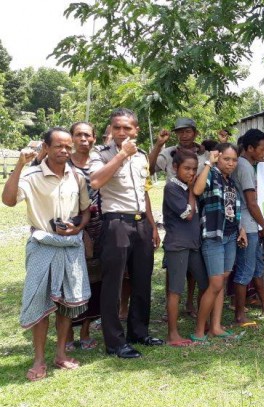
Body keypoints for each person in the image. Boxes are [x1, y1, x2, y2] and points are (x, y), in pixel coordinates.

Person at [2, 127, 92, 381]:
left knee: (65, 302)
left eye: (68, 147)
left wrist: (79, 226)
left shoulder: (77, 177)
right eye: (58, 146)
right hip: (42, 245)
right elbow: (8, 200)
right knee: (39, 303)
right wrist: (19, 165)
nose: (64, 151)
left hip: (70, 246)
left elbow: (86, 210)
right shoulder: (31, 175)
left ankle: (60, 354)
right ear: (46, 147)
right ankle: (39, 359)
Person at [90, 108, 164, 358]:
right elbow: (96, 181)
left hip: (141, 222)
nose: (121, 132)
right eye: (116, 127)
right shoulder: (100, 154)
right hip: (116, 223)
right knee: (113, 283)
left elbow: (143, 192)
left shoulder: (142, 156)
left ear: (136, 130)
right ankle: (115, 342)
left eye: (127, 128)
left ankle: (139, 333)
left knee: (142, 280)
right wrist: (121, 154)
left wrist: (152, 225)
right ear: (110, 129)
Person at [150, 117, 210, 318]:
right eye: (180, 132)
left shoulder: (204, 155)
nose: (184, 135)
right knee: (175, 267)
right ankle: (171, 308)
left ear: (195, 132)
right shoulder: (168, 154)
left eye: (188, 131)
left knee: (195, 263)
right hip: (177, 204)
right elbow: (150, 170)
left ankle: (191, 304)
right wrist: (159, 145)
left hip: (198, 209)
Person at [192, 143, 247, 342]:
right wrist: (208, 163)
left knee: (222, 282)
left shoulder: (231, 183)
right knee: (215, 284)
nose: (230, 163)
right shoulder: (211, 175)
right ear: (218, 157)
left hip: (231, 236)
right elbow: (197, 190)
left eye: (234, 160)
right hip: (213, 236)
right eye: (226, 159)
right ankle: (199, 331)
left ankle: (215, 326)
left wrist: (241, 229)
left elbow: (233, 209)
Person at [232, 129, 264, 321]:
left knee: (257, 266)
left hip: (252, 224)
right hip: (248, 225)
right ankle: (240, 314)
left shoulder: (249, 165)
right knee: (245, 269)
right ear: (250, 148)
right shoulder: (244, 167)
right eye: (261, 148)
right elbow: (251, 202)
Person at [162, 149, 209, 346]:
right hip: (178, 245)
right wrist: (191, 190)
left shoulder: (189, 187)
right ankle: (173, 334)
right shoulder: (172, 188)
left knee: (206, 284)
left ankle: (204, 324)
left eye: (193, 169)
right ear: (175, 168)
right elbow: (187, 214)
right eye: (186, 168)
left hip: (193, 244)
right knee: (176, 290)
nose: (191, 172)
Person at [66, 122, 102, 352]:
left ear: (94, 138)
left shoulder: (100, 163)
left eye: (87, 135)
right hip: (68, 228)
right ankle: (67, 333)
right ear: (71, 138)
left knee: (94, 280)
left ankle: (86, 330)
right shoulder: (62, 162)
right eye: (78, 135)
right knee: (68, 280)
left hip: (99, 227)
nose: (83, 139)